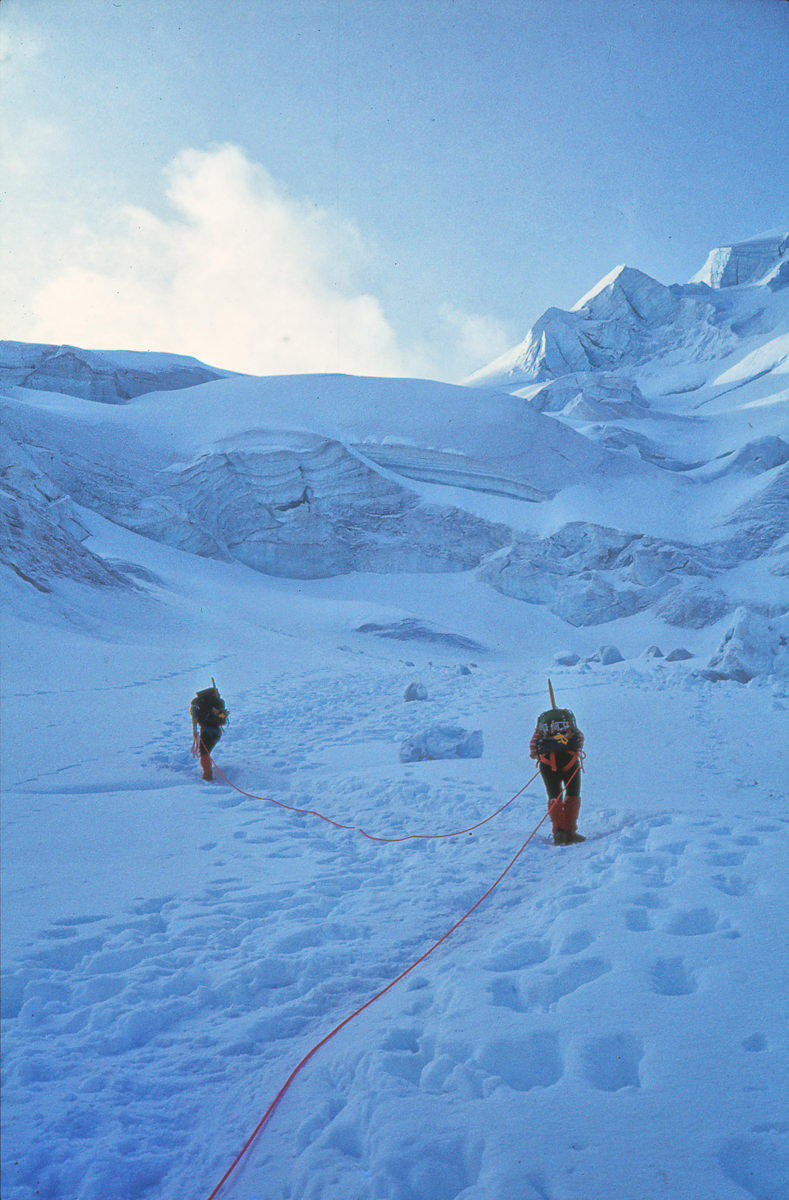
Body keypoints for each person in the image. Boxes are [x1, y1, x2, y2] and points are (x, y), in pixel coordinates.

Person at [529, 703, 585, 845]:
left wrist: (538, 756)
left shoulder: (542, 726)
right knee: (573, 793)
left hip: (547, 764)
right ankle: (570, 832)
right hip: (570, 761)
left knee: (554, 795)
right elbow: (580, 738)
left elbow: (533, 745)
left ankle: (559, 833)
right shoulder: (568, 724)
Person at [190, 682, 228, 781]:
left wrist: (194, 731)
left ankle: (207, 775)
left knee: (204, 753)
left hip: (207, 731)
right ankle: (207, 774)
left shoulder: (198, 705)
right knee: (205, 752)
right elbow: (223, 717)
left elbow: (194, 719)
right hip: (217, 731)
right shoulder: (214, 704)